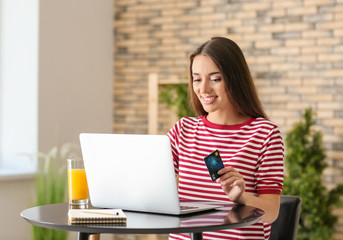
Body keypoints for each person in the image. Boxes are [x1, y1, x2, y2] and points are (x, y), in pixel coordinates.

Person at [167, 37, 284, 240]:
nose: (203, 89)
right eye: (197, 79)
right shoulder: (183, 130)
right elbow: (149, 183)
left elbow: (272, 212)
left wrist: (242, 198)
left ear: (235, 79)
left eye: (215, 78)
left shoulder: (264, 134)